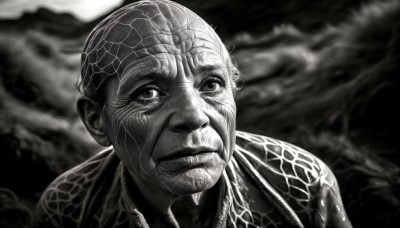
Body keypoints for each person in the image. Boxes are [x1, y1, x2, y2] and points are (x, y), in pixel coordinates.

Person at [35, 0, 352, 227]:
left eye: (212, 84)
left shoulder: (303, 186)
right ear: (97, 120)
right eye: (148, 92)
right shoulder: (68, 209)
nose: (193, 115)